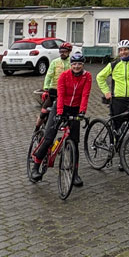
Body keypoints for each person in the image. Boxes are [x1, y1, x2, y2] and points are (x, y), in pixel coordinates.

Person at [30, 50, 92, 186]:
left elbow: (85, 95)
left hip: (75, 109)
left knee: (74, 142)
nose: (76, 66)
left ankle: (75, 174)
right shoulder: (64, 76)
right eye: (74, 64)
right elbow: (61, 95)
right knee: (49, 138)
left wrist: (82, 112)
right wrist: (59, 113)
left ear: (83, 65)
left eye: (79, 64)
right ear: (71, 65)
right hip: (61, 106)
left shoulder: (87, 76)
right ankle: (35, 167)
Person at [96, 40, 129, 168]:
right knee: (117, 131)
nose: (123, 52)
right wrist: (107, 92)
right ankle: (121, 160)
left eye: (126, 49)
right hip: (117, 101)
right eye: (121, 50)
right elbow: (100, 77)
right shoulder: (113, 65)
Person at [38, 42, 73, 126]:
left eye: (64, 51)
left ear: (69, 52)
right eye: (61, 51)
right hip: (54, 89)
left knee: (66, 112)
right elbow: (49, 75)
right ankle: (37, 128)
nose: (62, 53)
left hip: (66, 91)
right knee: (43, 112)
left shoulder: (72, 63)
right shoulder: (55, 62)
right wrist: (46, 88)